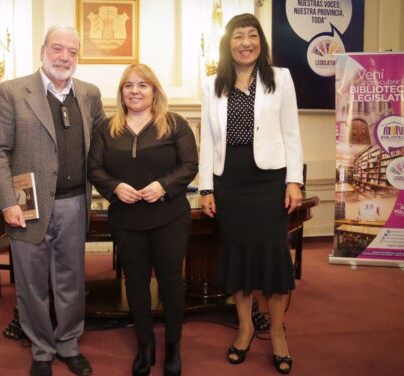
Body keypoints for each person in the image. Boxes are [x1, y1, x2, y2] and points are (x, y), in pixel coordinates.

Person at [0, 25, 106, 376]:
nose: (64, 57)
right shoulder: (12, 91)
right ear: (42, 50)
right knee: (31, 283)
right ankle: (41, 350)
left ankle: (69, 344)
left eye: (71, 51)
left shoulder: (89, 94)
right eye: (57, 49)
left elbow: (102, 146)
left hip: (74, 204)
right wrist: (7, 201)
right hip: (26, 206)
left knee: (71, 282)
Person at [198, 13, 303, 374]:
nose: (246, 42)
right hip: (231, 182)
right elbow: (208, 141)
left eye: (252, 35)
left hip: (269, 180)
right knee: (238, 256)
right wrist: (207, 187)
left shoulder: (282, 78)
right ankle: (244, 330)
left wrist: (294, 180)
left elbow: (291, 133)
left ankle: (276, 333)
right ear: (228, 44)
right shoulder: (213, 84)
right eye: (238, 36)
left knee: (273, 257)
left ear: (261, 41)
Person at [88, 63, 198, 376]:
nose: (135, 91)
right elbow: (94, 168)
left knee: (171, 282)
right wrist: (115, 187)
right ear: (121, 92)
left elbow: (190, 164)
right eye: (128, 85)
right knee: (135, 283)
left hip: (170, 218)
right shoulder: (106, 128)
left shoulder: (174, 124)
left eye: (142, 85)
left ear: (154, 91)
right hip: (126, 220)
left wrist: (163, 186)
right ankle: (146, 344)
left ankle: (173, 346)